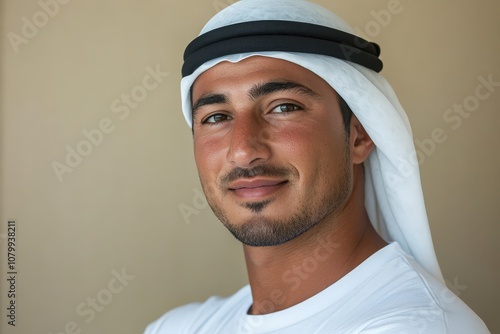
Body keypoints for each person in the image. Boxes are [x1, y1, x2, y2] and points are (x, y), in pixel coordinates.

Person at [145, 0, 490, 332]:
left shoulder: (418, 326)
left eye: (283, 107)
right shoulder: (177, 327)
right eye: (216, 117)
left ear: (359, 136)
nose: (243, 151)